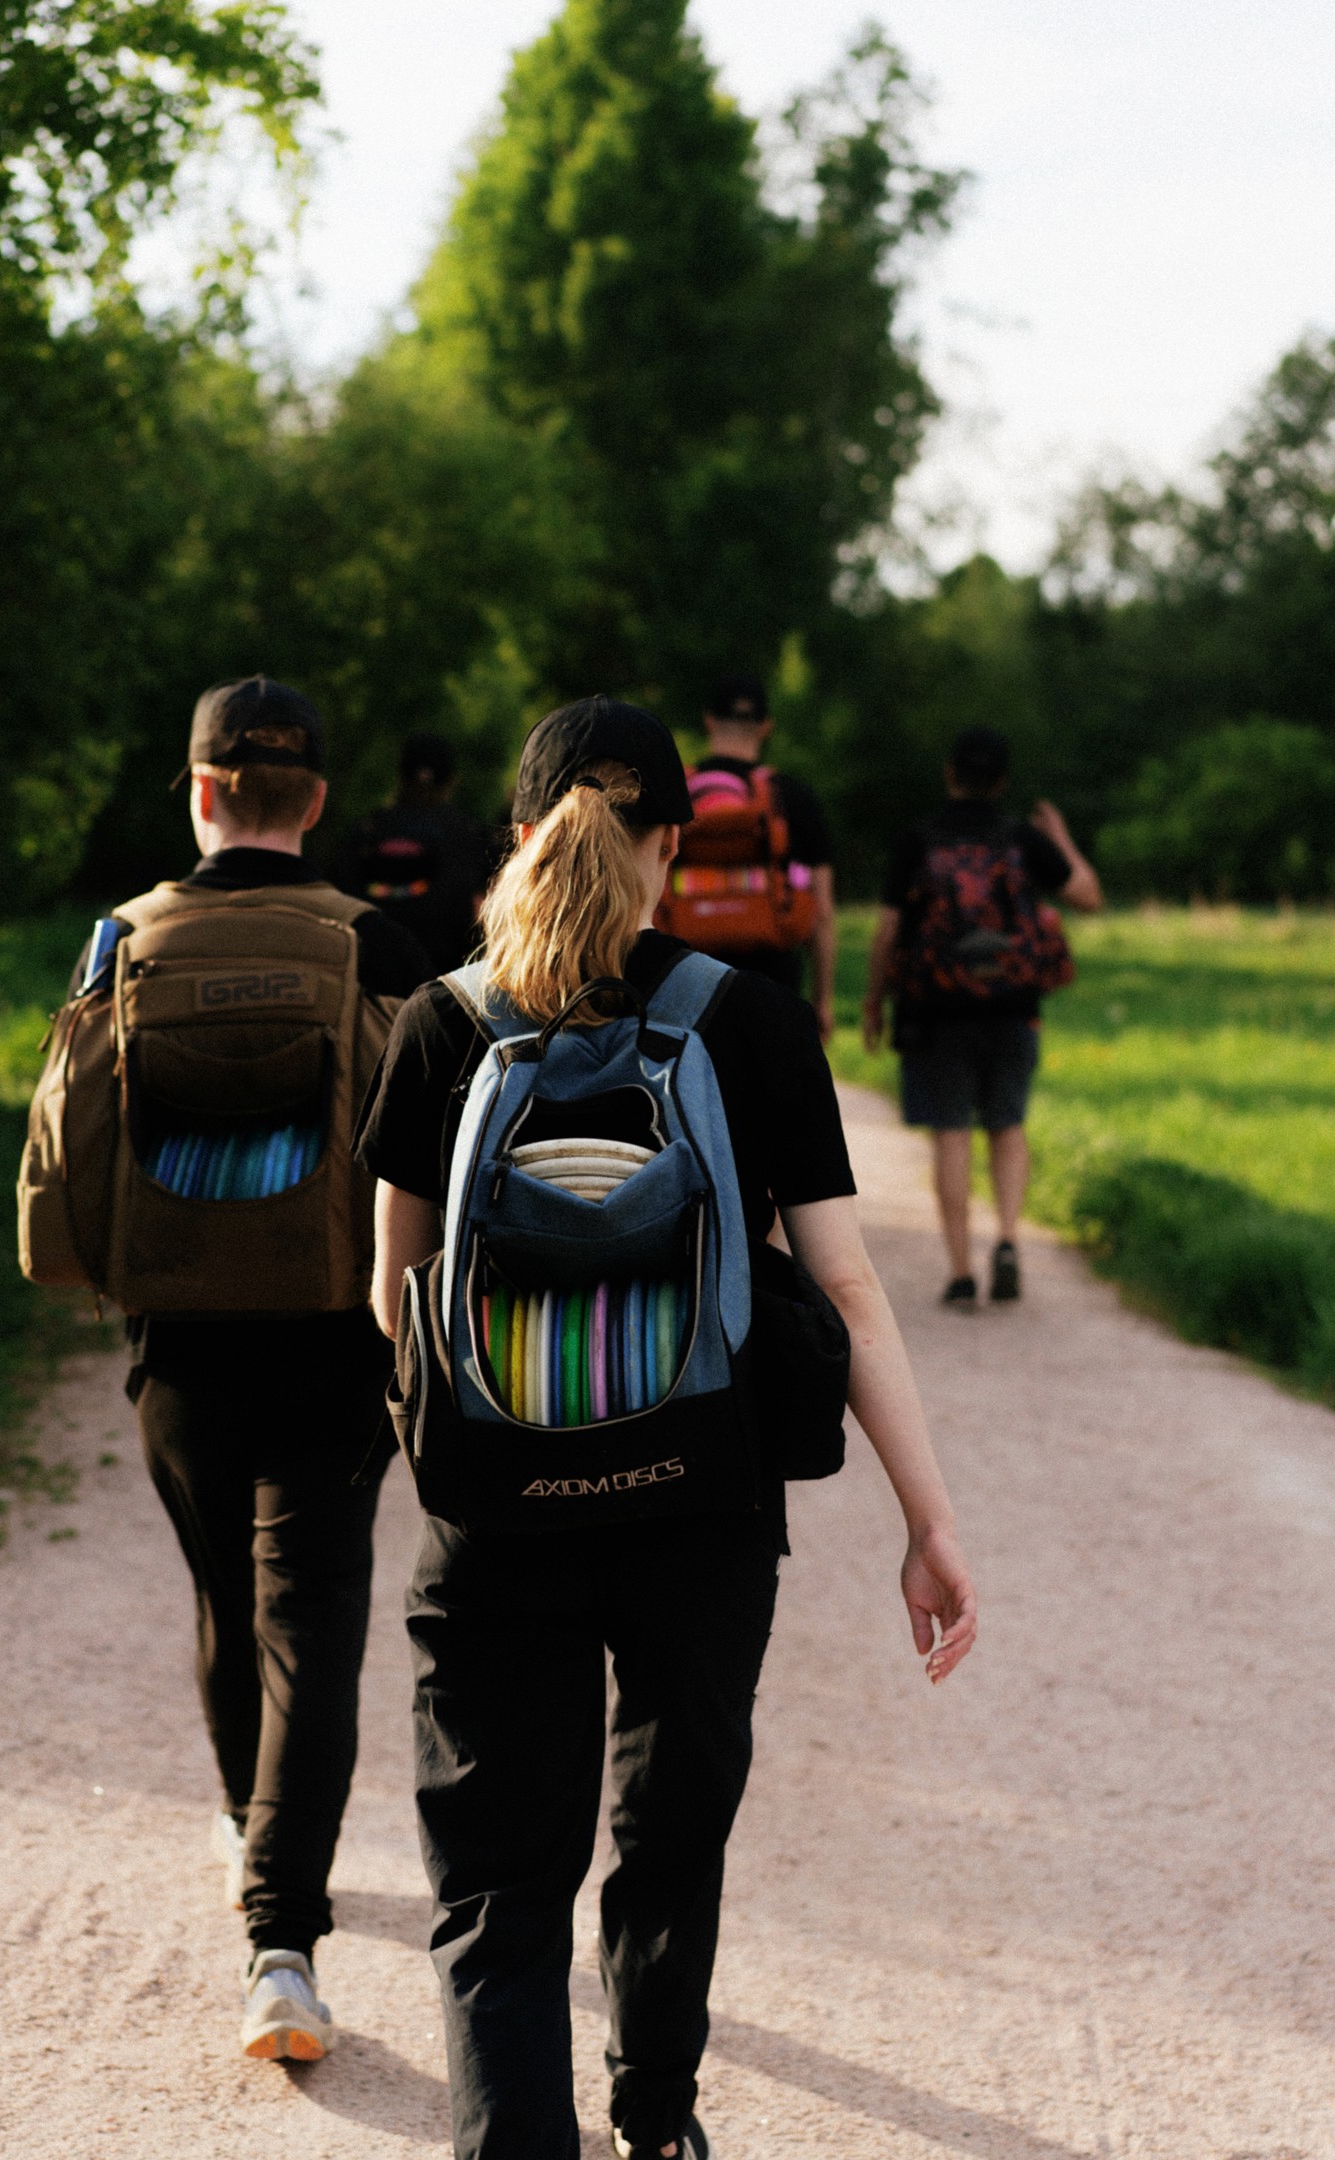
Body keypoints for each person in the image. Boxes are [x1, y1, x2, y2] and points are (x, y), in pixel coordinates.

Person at [358, 695, 977, 2160]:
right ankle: (658, 2123)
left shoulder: (441, 1022)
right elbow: (847, 1294)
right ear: (675, 846)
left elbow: (387, 1298)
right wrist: (927, 1522)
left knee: (501, 1878)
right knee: (669, 1833)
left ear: (517, 839)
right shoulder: (745, 1020)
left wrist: (488, 1439)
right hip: (701, 1499)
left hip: (493, 1516)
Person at [72, 676, 430, 2059]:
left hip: (175, 1334)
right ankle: (282, 1945)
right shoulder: (377, 940)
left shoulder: (124, 938)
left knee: (225, 1592)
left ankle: (246, 1833)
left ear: (203, 790)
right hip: (338, 1333)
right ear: (318, 800)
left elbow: (71, 1148)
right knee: (317, 1620)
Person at [862, 724, 1103, 1306]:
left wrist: (874, 999)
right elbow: (1087, 896)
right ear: (1002, 781)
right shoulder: (1022, 838)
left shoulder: (919, 840)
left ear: (950, 774)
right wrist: (1062, 839)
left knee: (951, 1134)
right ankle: (1010, 1238)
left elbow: (890, 928)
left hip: (936, 1009)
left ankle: (962, 1271)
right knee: (1007, 1122)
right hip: (1013, 1005)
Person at [686, 671, 837, 1039]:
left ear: (709, 720)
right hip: (774, 982)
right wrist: (823, 1000)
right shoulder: (793, 797)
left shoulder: (677, 792)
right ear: (766, 726)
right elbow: (822, 912)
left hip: (686, 981)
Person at [332, 729, 498, 976]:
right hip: (448, 984)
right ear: (452, 781)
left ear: (400, 776)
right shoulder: (472, 835)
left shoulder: (365, 832)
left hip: (371, 981)